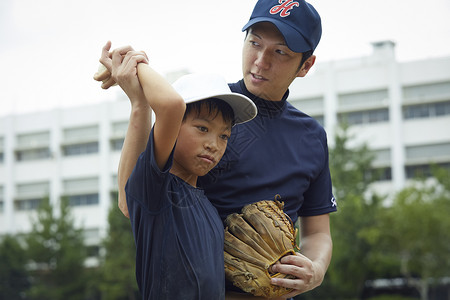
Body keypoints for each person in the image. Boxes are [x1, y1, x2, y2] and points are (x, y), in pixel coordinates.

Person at [95, 0, 337, 298]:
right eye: (254, 43)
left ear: (306, 65)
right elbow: (134, 199)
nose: (261, 60)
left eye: (280, 52)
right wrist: (137, 83)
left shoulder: (311, 136)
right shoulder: (206, 105)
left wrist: (316, 268)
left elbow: (317, 232)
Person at [95, 46, 257, 299]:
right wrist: (133, 65)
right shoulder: (157, 190)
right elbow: (171, 105)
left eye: (224, 135)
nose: (214, 144)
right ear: (172, 126)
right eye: (202, 128)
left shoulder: (209, 210)